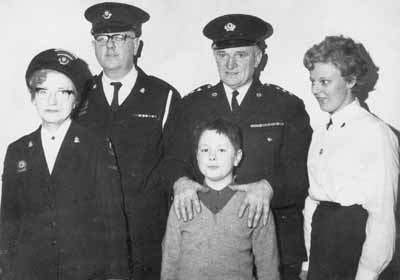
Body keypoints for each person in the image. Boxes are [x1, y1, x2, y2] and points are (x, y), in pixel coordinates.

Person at [161, 14, 312, 280]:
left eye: (240, 55)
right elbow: (171, 160)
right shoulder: (192, 106)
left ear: (258, 58)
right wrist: (180, 182)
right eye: (222, 55)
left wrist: (269, 187)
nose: (230, 64)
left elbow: (303, 174)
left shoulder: (286, 106)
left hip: (276, 237)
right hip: (210, 245)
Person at [0, 49, 129, 279]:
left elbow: (113, 226)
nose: (52, 101)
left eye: (63, 92)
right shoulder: (17, 151)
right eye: (43, 91)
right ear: (33, 96)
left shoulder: (96, 146)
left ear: (75, 98)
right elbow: (8, 223)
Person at [76, 2, 181, 279]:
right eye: (101, 38)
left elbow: (175, 162)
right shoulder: (77, 96)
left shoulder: (164, 95)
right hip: (92, 233)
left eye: (119, 37)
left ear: (136, 45)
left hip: (146, 235)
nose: (109, 46)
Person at [301, 35, 399, 280]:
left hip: (355, 248)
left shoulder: (376, 133)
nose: (315, 90)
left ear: (351, 80)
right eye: (313, 81)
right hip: (323, 248)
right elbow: (313, 202)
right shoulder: (321, 133)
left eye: (324, 81)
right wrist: (309, 261)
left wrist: (368, 273)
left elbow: (382, 215)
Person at [161, 118, 280, 280]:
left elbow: (268, 267)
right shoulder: (183, 201)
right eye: (204, 150)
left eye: (222, 150)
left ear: (237, 157)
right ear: (196, 156)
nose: (212, 157)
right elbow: (170, 262)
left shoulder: (255, 204)